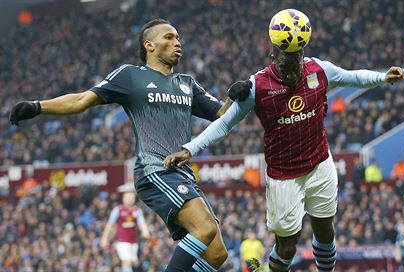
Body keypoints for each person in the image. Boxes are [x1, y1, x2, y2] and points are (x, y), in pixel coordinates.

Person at [164, 10, 404, 272]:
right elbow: (224, 123)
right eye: (286, 64)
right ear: (274, 56)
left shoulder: (319, 70)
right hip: (284, 178)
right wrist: (190, 149)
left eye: (296, 62)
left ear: (302, 55)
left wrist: (383, 77)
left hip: (320, 164)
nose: (292, 71)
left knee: (326, 232)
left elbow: (353, 76)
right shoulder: (258, 86)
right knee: (287, 247)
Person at [9, 18, 250, 271]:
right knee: (205, 228)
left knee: (217, 255)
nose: (177, 42)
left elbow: (221, 115)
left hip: (182, 173)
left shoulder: (187, 84)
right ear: (149, 45)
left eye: (178, 38)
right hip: (154, 169)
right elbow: (80, 100)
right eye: (169, 37)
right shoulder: (130, 76)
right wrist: (38, 106)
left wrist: (237, 96)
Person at [101, 191, 150, 272]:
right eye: (127, 197)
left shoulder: (137, 211)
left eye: (131, 198)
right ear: (123, 198)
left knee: (134, 263)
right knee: (126, 261)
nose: (129, 199)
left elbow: (142, 223)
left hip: (134, 242)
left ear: (134, 199)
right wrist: (104, 238)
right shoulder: (118, 210)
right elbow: (109, 224)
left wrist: (145, 232)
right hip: (122, 241)